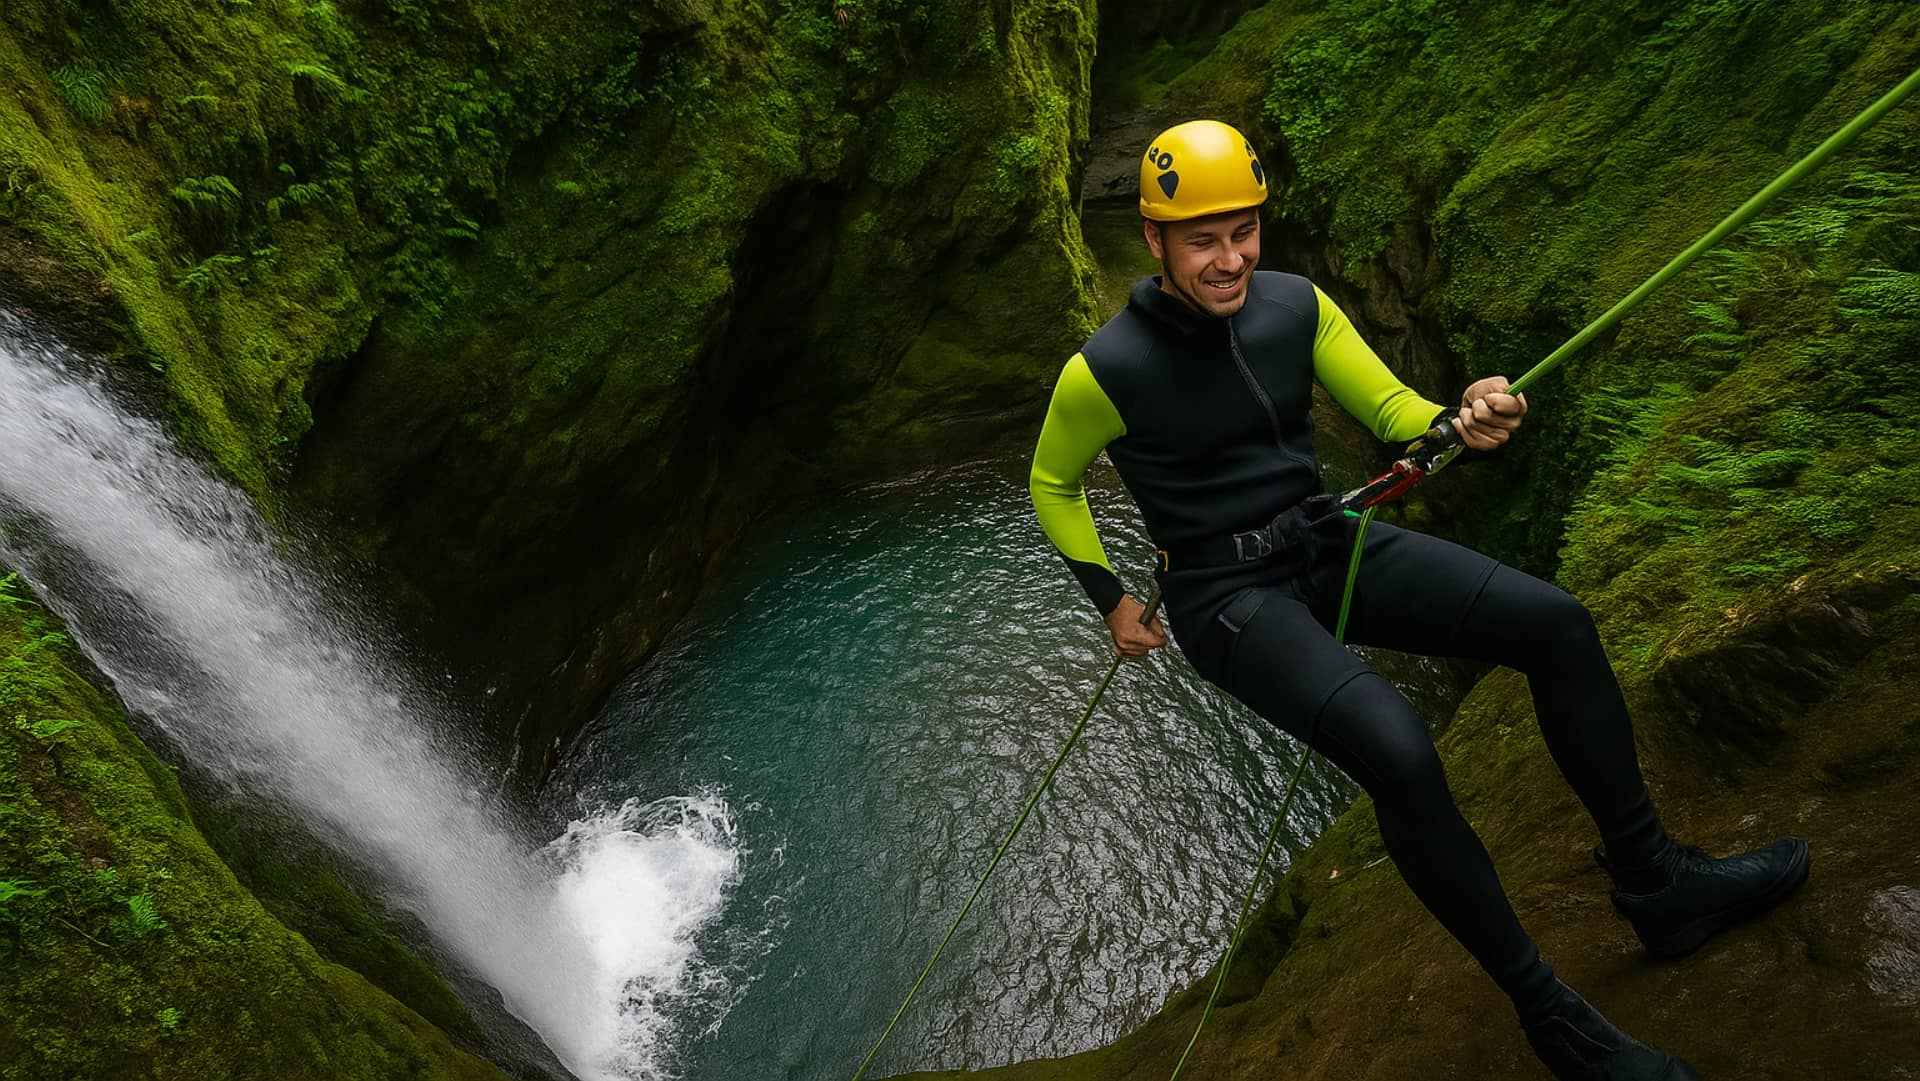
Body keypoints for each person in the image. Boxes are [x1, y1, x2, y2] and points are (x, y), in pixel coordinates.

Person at [1029, 119, 1811, 1080]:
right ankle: (1550, 1014)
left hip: (1324, 539)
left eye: (1243, 231)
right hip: (1224, 595)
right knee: (1400, 750)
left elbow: (1397, 410)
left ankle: (1659, 884)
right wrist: (1109, 596)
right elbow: (1052, 484)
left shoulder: (1295, 307)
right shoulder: (1103, 371)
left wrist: (1463, 415)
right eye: (1202, 239)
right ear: (1153, 241)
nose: (1229, 259)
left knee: (1554, 623)